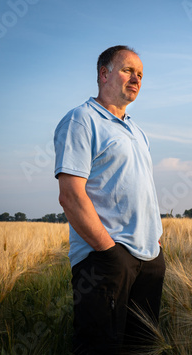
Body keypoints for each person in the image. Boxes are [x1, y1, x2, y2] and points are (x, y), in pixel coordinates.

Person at [54, 45, 165, 354]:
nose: (136, 78)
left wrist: (156, 242)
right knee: (100, 347)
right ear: (104, 74)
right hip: (106, 259)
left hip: (149, 258)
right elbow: (70, 196)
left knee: (141, 347)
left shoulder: (137, 131)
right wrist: (108, 252)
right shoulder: (81, 120)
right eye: (128, 70)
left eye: (140, 74)